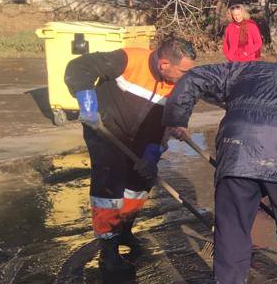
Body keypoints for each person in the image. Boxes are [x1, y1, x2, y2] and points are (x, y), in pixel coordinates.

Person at [164, 50, 277, 284]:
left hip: (237, 152)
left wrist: (176, 119)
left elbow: (194, 77)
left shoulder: (245, 70)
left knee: (233, 227)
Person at [64, 37, 197, 270]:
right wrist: (87, 104)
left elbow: (168, 124)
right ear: (164, 64)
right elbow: (79, 67)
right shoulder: (129, 59)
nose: (187, 77)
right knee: (110, 186)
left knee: (139, 183)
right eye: (183, 71)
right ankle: (108, 249)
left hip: (144, 139)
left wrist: (154, 151)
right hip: (105, 129)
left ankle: (123, 229)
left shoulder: (180, 85)